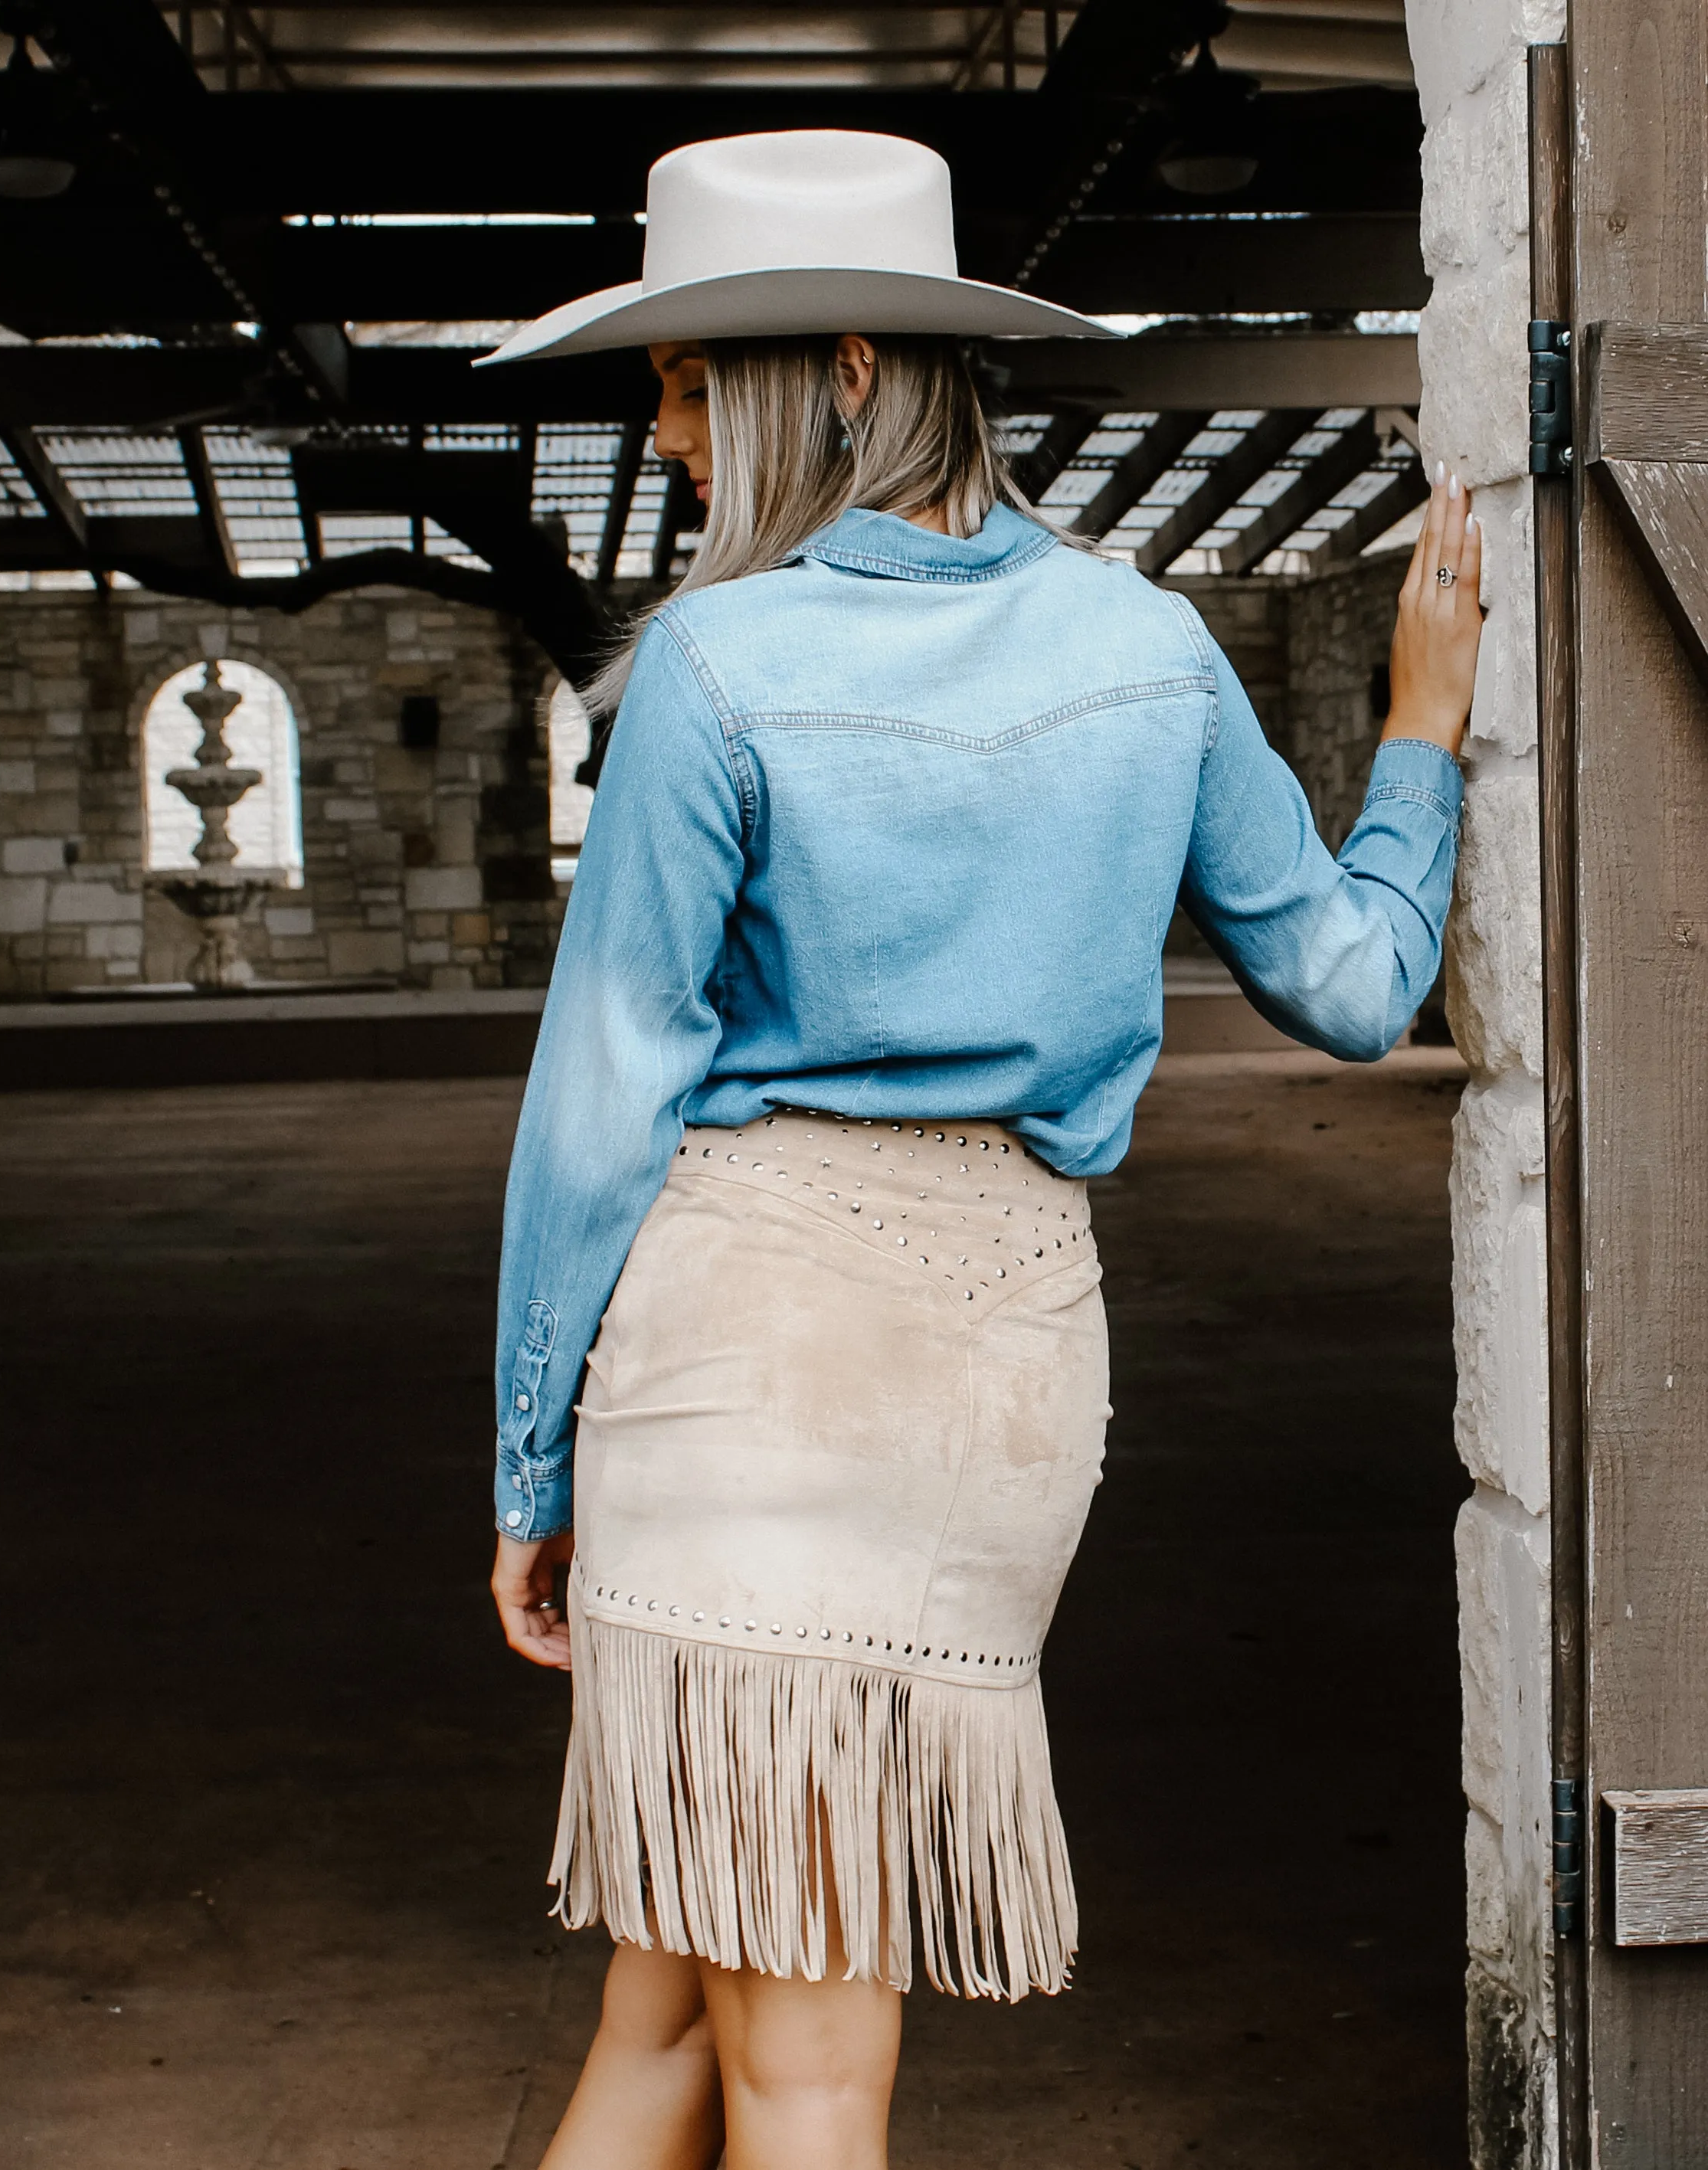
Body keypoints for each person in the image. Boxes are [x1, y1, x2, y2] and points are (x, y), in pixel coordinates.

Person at [479, 130, 1484, 2170]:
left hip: (744, 1373)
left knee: (795, 2064)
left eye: (688, 385)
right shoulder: (1150, 647)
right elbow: (1363, 987)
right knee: (673, 1999)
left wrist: (525, 1462)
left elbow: (601, 1103)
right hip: (1005, 1377)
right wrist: (1420, 742)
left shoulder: (712, 665)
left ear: (840, 370)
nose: (666, 438)